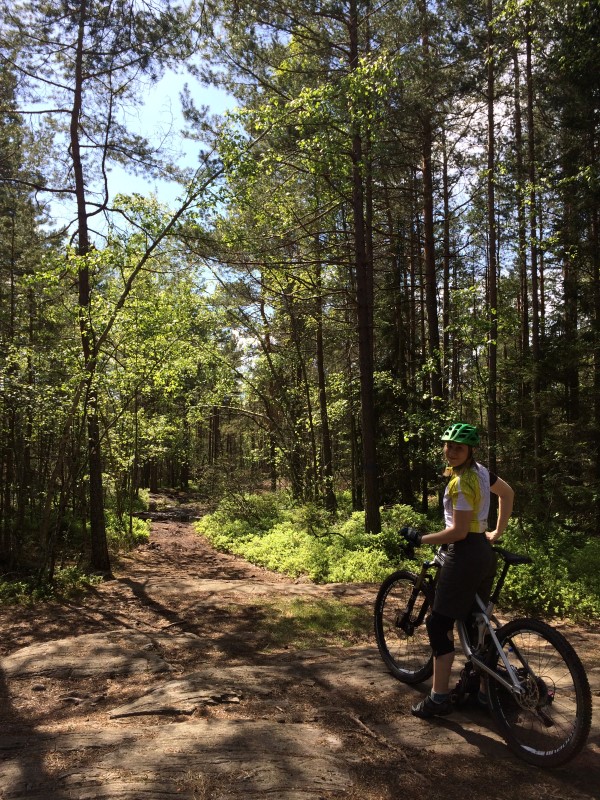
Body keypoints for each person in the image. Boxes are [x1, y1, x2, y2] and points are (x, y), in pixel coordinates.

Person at [401, 421, 514, 719]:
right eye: (448, 445)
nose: (451, 451)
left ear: (470, 450)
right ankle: (481, 692)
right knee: (477, 622)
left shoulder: (462, 482)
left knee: (438, 624)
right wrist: (495, 533)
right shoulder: (481, 472)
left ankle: (438, 698)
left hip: (464, 555)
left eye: (458, 447)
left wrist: (422, 538)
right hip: (484, 553)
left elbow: (459, 532)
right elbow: (508, 493)